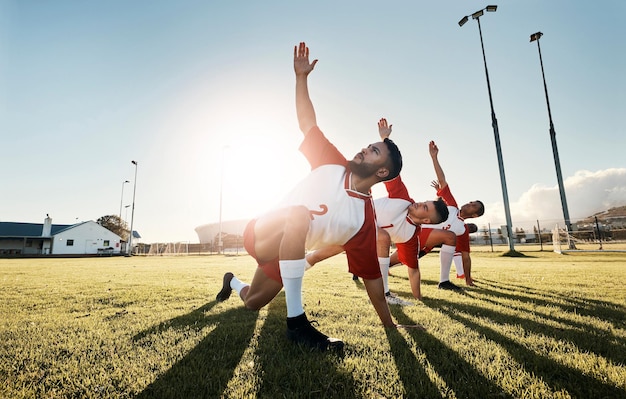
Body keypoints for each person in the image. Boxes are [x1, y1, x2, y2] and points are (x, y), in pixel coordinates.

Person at [215, 42, 409, 351]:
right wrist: (301, 78)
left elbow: (372, 277)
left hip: (286, 252)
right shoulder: (334, 161)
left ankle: (232, 281)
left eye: (374, 150)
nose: (364, 148)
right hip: (264, 231)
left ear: (382, 172)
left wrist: (389, 325)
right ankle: (297, 324)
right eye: (369, 145)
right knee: (299, 214)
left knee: (252, 302)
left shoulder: (363, 220)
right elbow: (308, 123)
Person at [306, 118, 450, 303]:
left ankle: (301, 263)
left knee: (376, 237)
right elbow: (387, 167)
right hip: (346, 211)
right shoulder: (402, 197)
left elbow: (413, 270)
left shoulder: (409, 237)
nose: (419, 203)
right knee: (372, 236)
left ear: (427, 221)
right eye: (424, 201)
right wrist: (384, 138)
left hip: (358, 233)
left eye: (424, 207)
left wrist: (418, 299)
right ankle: (304, 259)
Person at [419, 141, 485, 287]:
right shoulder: (452, 205)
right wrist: (434, 158)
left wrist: (468, 279)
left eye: (474, 206)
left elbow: (466, 257)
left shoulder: (462, 230)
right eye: (471, 201)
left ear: (474, 216)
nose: (469, 203)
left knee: (391, 263)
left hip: (422, 245)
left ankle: (444, 281)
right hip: (411, 228)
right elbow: (442, 180)